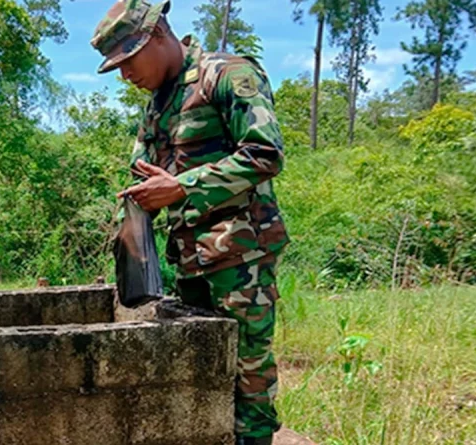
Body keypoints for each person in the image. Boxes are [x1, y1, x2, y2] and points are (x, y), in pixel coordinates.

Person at [91, 1, 291, 444]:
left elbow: (265, 153)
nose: (125, 75)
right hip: (189, 262)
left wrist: (181, 187)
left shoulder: (226, 74)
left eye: (128, 60)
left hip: (241, 258)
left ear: (158, 35)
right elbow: (143, 175)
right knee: (200, 374)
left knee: (247, 379)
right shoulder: (158, 106)